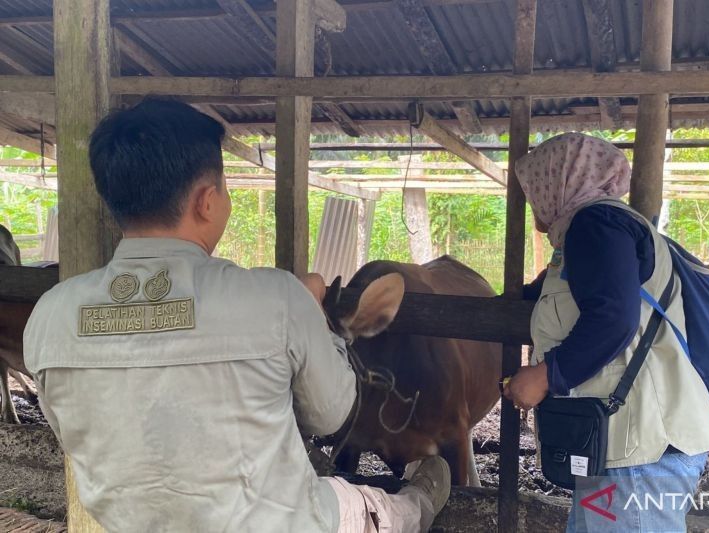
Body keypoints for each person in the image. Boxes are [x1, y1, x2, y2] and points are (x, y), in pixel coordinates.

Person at [23, 99, 450, 533]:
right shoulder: (277, 299)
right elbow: (330, 415)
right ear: (207, 202)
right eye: (225, 190)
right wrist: (314, 317)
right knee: (387, 509)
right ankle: (422, 499)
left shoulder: (49, 316)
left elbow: (71, 431)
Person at [503, 133, 709, 532]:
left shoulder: (596, 225)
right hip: (622, 445)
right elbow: (585, 293)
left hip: (642, 447)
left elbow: (612, 318)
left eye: (536, 184)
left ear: (561, 179)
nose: (532, 198)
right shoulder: (590, 234)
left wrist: (546, 375)